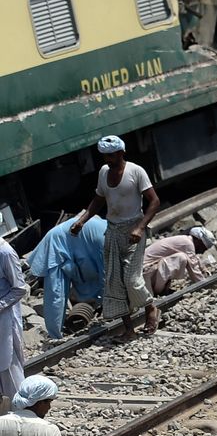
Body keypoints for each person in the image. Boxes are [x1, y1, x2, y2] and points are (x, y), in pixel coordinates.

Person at [70, 136, 160, 339]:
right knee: (114, 282)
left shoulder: (136, 171)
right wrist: (82, 220)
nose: (107, 160)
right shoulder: (103, 173)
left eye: (111, 155)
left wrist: (140, 227)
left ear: (121, 153)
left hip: (133, 232)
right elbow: (99, 199)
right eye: (105, 156)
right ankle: (129, 329)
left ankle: (150, 309)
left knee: (131, 279)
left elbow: (154, 201)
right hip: (112, 231)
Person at [26, 216, 106, 340]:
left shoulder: (111, 231)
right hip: (56, 243)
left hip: (74, 241)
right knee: (56, 292)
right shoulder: (107, 238)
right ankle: (55, 335)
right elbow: (108, 276)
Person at [142, 227, 214, 296]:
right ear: (199, 241)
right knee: (181, 258)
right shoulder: (188, 244)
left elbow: (194, 258)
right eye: (203, 248)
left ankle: (161, 289)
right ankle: (159, 290)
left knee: (183, 257)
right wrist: (204, 285)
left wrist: (204, 270)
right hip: (146, 274)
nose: (202, 252)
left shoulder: (185, 240)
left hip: (147, 274)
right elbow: (193, 268)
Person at [0, 239, 27, 402]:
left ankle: (20, 410)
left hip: (4, 318)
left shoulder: (6, 253)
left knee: (8, 365)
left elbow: (19, 289)